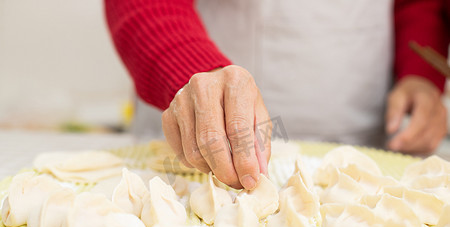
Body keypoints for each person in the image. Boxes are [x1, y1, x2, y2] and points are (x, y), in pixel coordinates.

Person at [105, 0, 448, 190]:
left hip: (367, 138)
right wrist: (189, 66)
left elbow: (418, 3)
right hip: (191, 145)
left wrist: (420, 74)